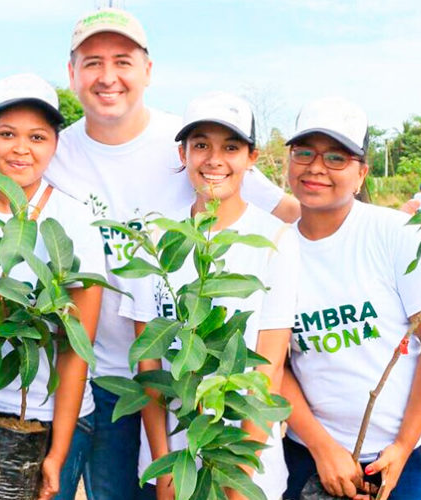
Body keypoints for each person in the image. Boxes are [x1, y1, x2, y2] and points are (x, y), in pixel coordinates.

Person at [42, 9, 300, 497]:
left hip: (193, 382)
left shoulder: (192, 140)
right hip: (103, 377)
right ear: (72, 72)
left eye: (123, 60)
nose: (108, 76)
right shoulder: (54, 151)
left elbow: (286, 213)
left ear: (148, 70)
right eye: (92, 62)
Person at [118, 92, 298, 500]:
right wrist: (165, 470)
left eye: (230, 147)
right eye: (201, 145)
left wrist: (237, 476)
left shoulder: (276, 240)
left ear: (251, 157)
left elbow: (268, 367)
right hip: (175, 462)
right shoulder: (157, 243)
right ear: (183, 153)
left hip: (244, 465)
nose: (214, 160)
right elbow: (150, 366)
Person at [279, 97, 421, 500]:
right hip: (311, 452)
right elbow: (273, 364)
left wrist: (401, 445)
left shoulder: (398, 236)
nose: (316, 167)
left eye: (336, 158)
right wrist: (322, 446)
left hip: (403, 452)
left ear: (361, 173)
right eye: (304, 152)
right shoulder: (272, 253)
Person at [0, 73, 104, 500]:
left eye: (37, 136)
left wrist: (57, 451)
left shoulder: (74, 223)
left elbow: (77, 348)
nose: (21, 148)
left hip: (52, 418)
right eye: (7, 134)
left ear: (55, 143)